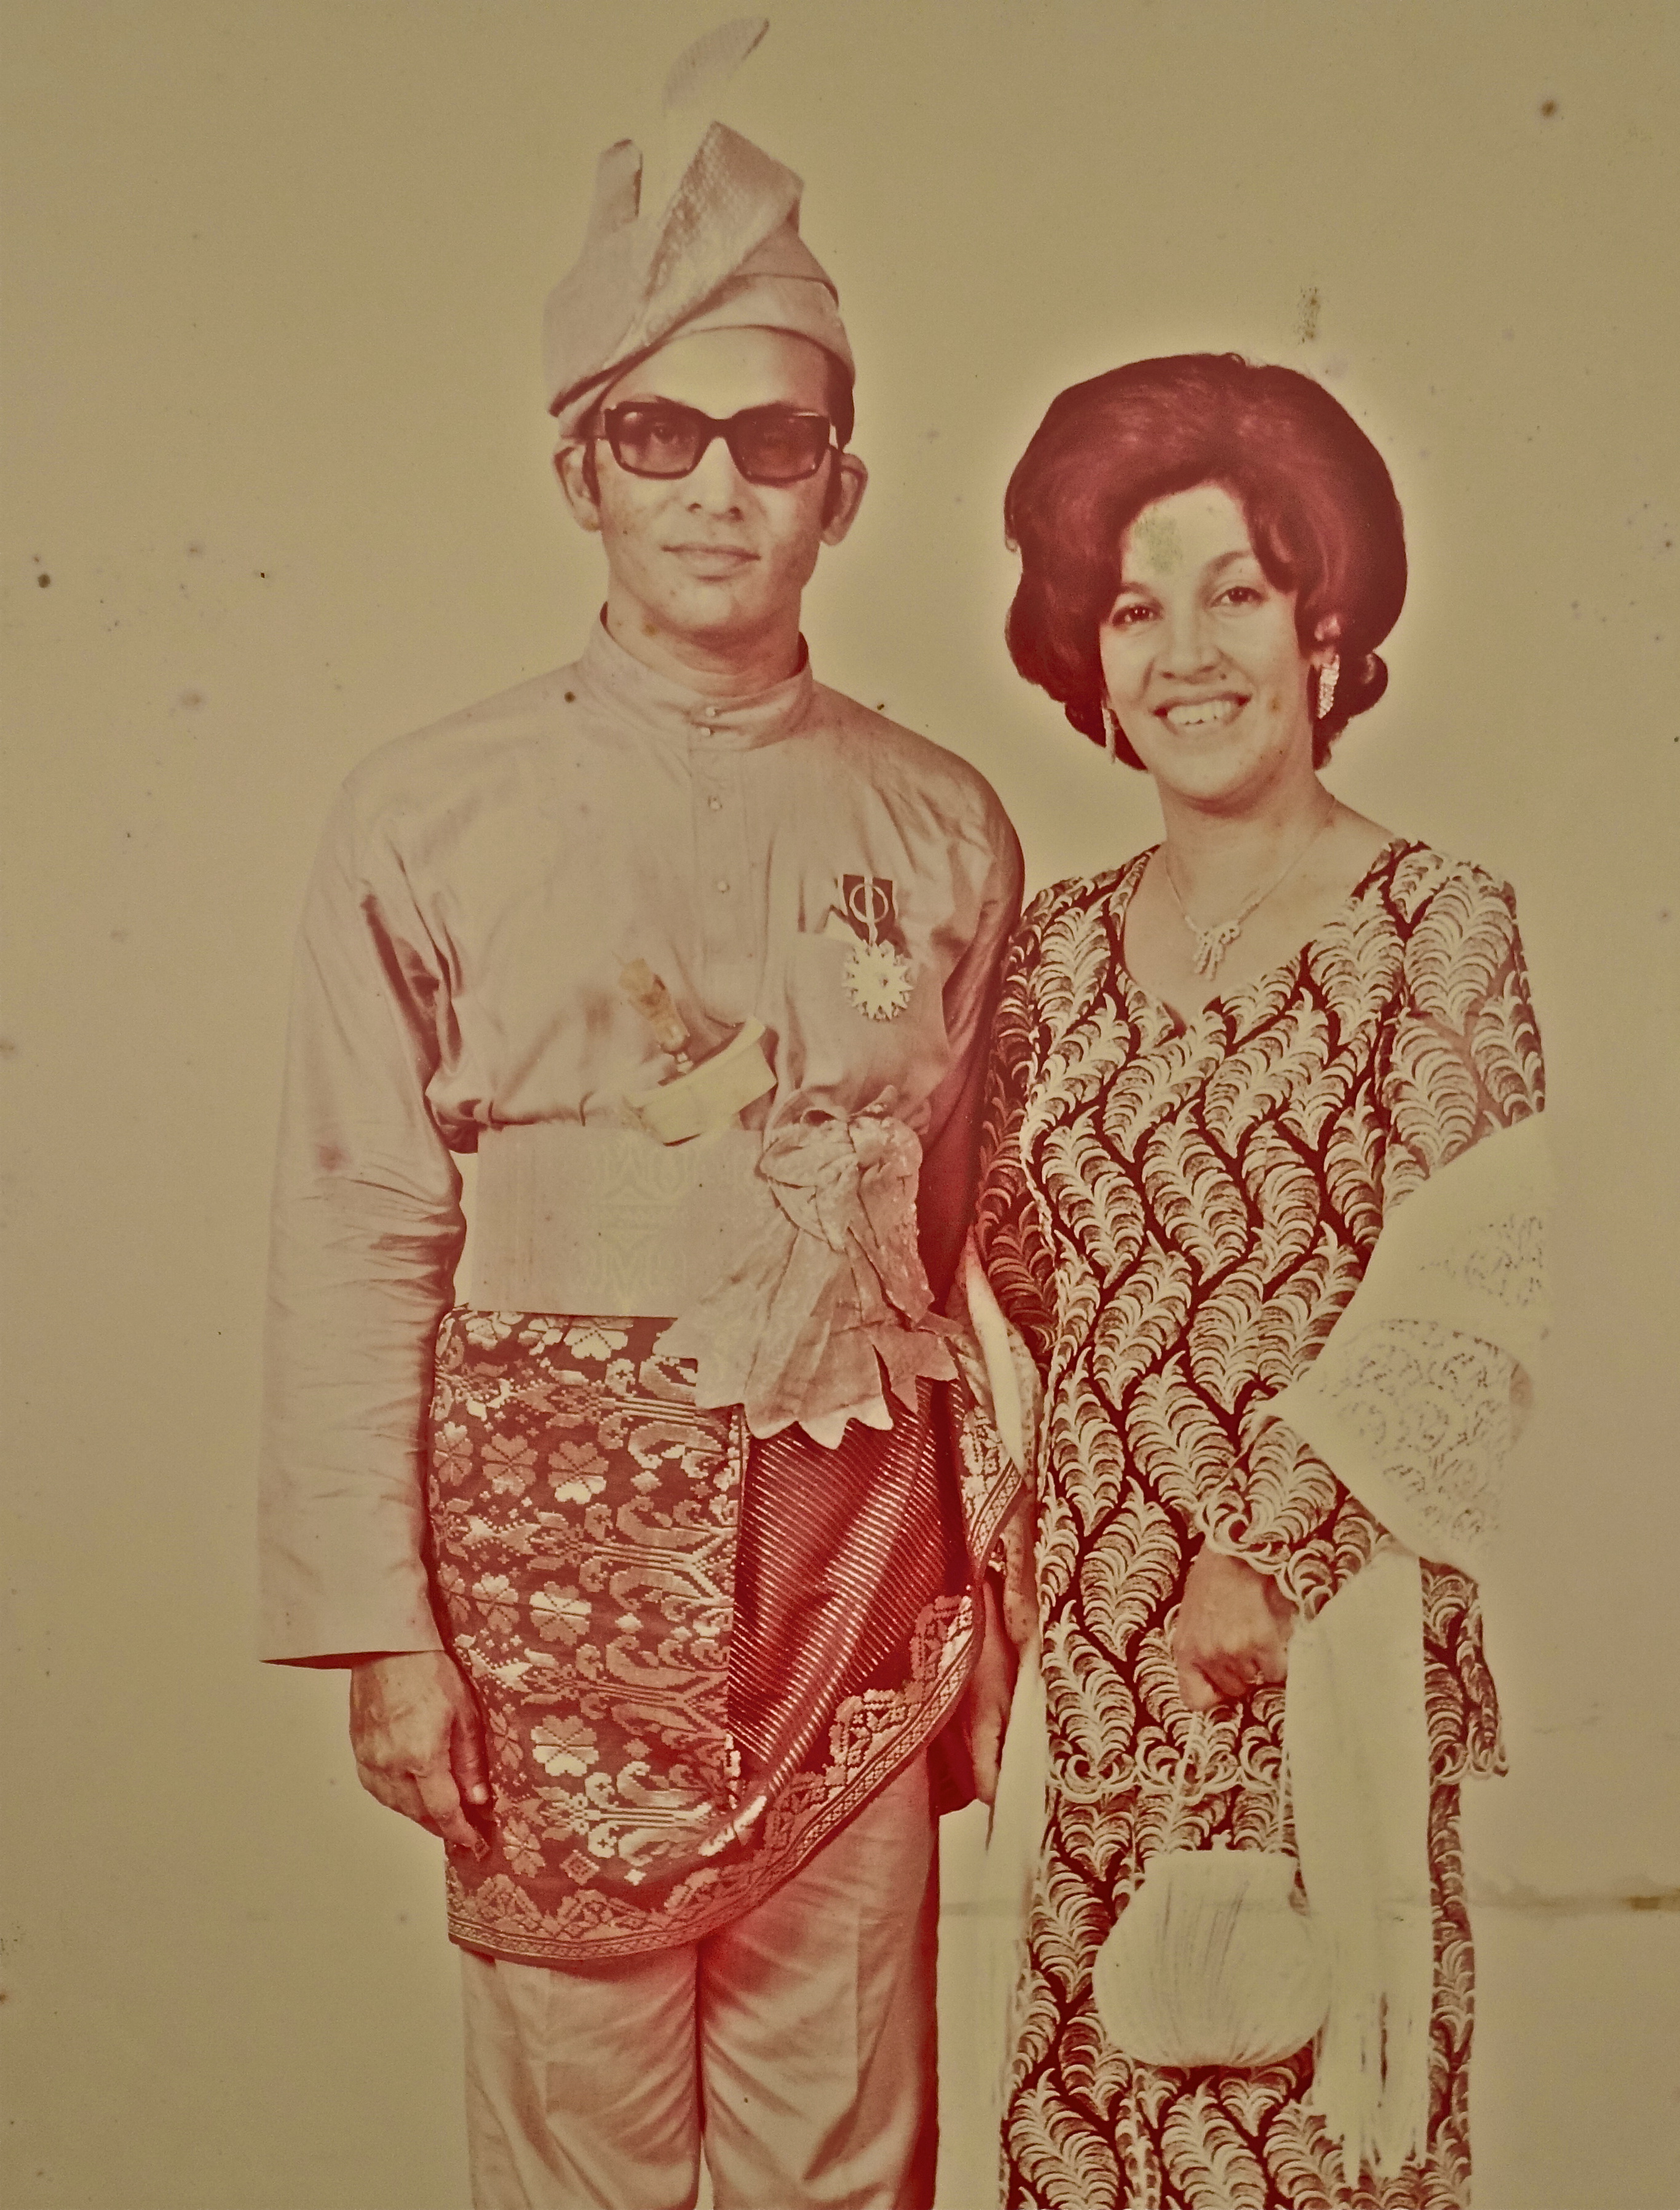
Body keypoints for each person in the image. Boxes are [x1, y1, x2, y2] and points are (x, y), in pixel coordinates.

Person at [258, 23, 1022, 2209]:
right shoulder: (429, 810)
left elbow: (956, 1228)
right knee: (576, 2154)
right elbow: (360, 1221)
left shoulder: (942, 821)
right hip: (542, 1572)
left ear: (842, 487)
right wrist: (386, 1629)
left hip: (848, 1548)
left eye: (771, 441)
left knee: (841, 2142)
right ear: (578, 467)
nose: (715, 489)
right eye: (657, 433)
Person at [958, 353, 1550, 2209]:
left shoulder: (1435, 926)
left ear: (1325, 625)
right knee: (1094, 2132)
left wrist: (1269, 1546)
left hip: (1312, 1643)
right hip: (1104, 1663)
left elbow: (1467, 1296)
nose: (1187, 653)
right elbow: (1017, 1272)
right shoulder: (1051, 952)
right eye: (1137, 607)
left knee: (1300, 2141)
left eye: (1236, 591)